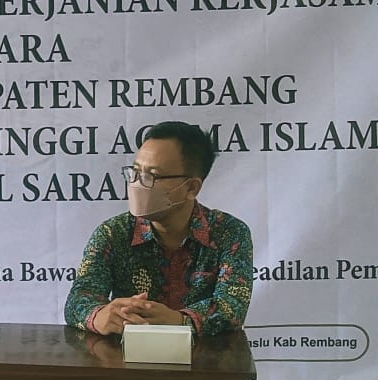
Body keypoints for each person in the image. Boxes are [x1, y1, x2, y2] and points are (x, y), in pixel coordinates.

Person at [64, 121, 253, 339]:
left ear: (191, 187)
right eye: (135, 172)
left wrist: (178, 321)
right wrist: (101, 316)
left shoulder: (229, 233)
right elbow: (78, 299)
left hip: (205, 357)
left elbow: (231, 307)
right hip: (127, 355)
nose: (136, 183)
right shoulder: (112, 233)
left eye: (151, 176)